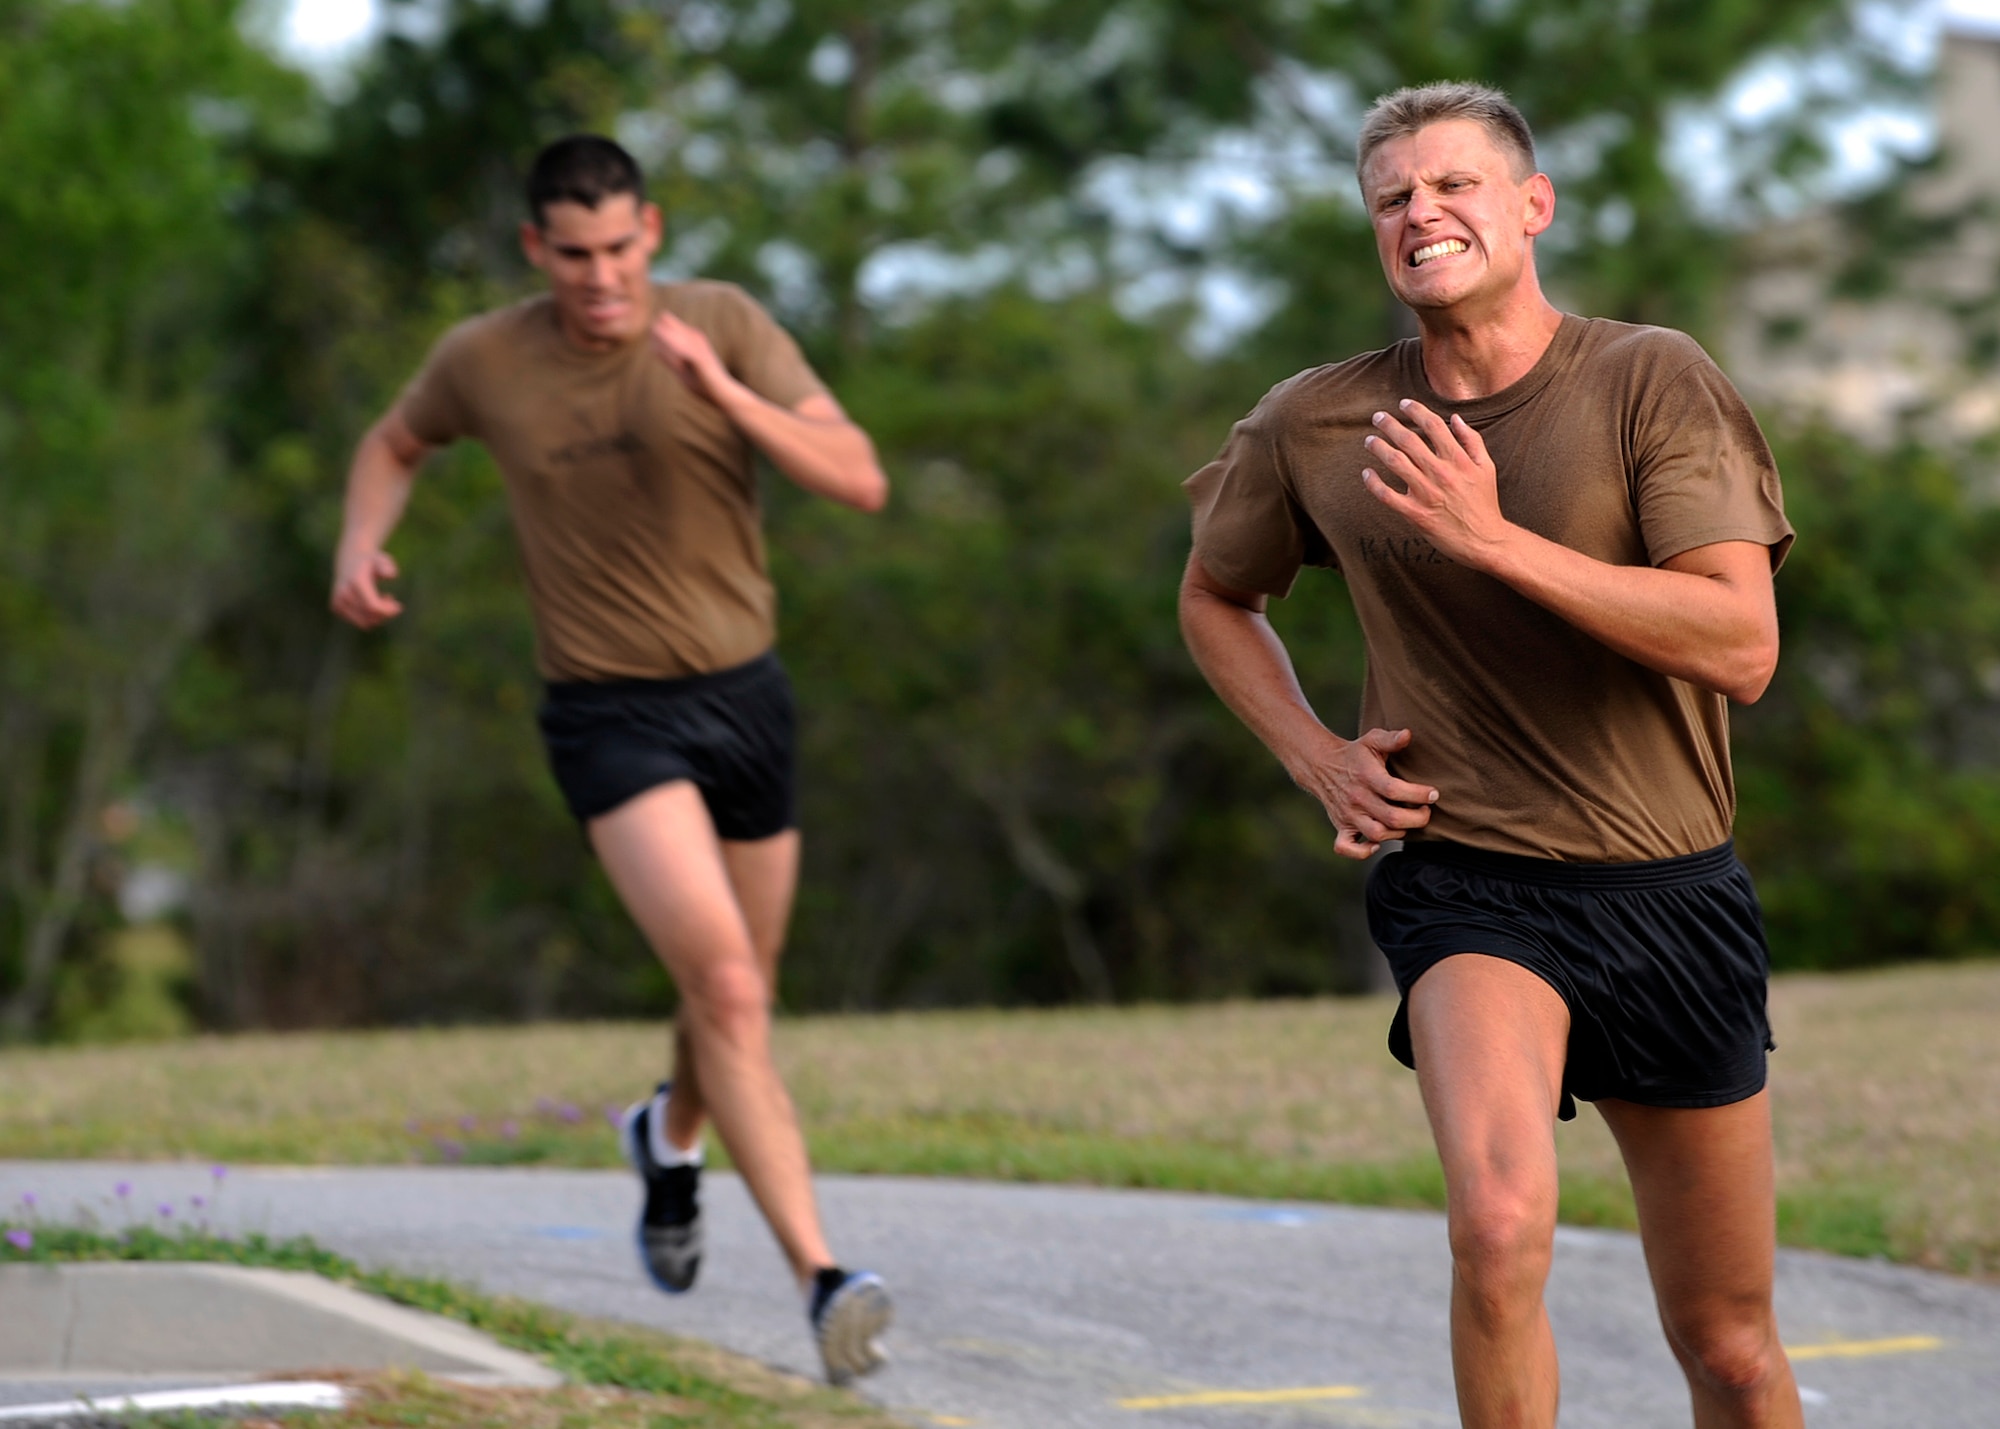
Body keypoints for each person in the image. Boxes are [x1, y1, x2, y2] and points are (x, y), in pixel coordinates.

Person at [1178, 82, 1803, 1429]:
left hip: (1670, 889)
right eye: (1393, 196)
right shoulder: (1315, 421)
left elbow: (1740, 645)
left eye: (1454, 185)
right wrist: (1315, 755)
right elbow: (1213, 594)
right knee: (1499, 1231)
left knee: (1731, 1344)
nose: (1422, 214)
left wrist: (1493, 538)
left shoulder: (1652, 379)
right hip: (1471, 886)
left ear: (1531, 206)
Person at [330, 134, 893, 1385]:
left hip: (747, 696)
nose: (599, 277)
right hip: (609, 717)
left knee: (737, 985)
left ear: (652, 231)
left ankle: (666, 1131)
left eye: (620, 249)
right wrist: (359, 543)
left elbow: (859, 479)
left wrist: (722, 391)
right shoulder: (484, 357)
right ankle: (822, 1279)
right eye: (572, 255)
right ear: (538, 249)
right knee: (731, 991)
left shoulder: (722, 321)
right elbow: (393, 442)